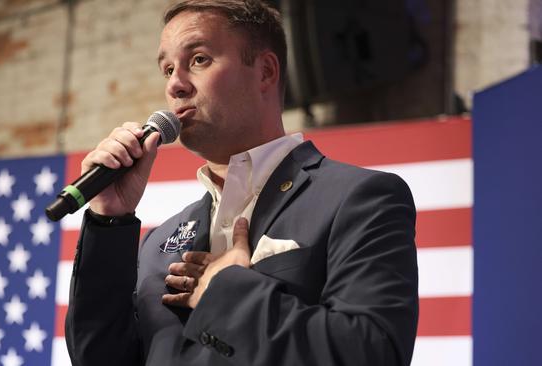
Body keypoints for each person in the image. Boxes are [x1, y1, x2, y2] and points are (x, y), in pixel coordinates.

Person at [65, 1, 419, 365]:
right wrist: (110, 220)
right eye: (167, 68)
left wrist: (228, 292)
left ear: (265, 71)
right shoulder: (159, 241)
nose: (175, 84)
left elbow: (372, 353)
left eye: (198, 60)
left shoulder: (359, 198)